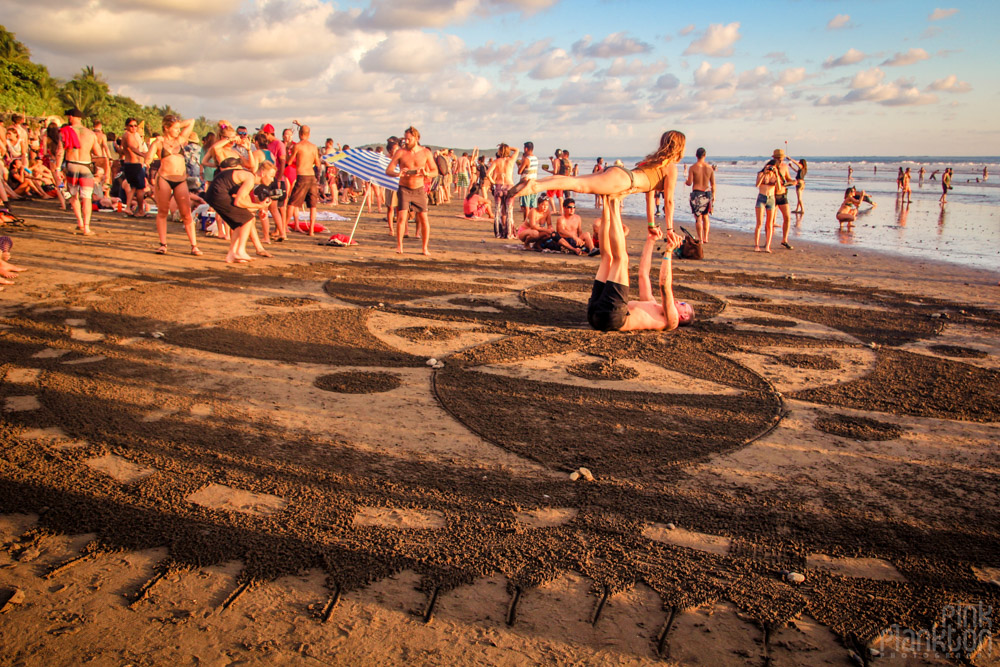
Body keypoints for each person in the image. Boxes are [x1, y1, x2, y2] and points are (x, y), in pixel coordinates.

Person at [509, 131, 687, 229]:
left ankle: (538, 183)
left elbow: (649, 197)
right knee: (578, 184)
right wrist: (670, 229)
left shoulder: (653, 162)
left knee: (575, 180)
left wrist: (651, 224)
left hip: (621, 175)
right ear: (679, 148)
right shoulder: (670, 167)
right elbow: (669, 202)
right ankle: (535, 185)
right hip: (624, 180)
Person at [587, 195, 693, 332]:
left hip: (612, 318)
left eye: (683, 304)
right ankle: (607, 203)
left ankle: (615, 203)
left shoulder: (672, 321)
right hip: (596, 313)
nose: (679, 301)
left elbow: (665, 286)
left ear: (684, 316)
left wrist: (668, 252)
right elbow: (643, 274)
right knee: (607, 258)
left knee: (622, 259)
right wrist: (651, 240)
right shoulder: (650, 302)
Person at [145, 115, 201, 255]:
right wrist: (153, 147)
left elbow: (191, 121)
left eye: (178, 128)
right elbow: (148, 159)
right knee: (163, 211)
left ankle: (194, 245)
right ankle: (163, 244)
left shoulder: (180, 140)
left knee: (186, 213)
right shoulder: (159, 142)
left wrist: (176, 124)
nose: (177, 130)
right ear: (166, 128)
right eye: (174, 128)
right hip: (164, 178)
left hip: (180, 179)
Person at [205, 158, 276, 263]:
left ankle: (231, 254)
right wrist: (259, 206)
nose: (272, 180)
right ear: (262, 173)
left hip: (214, 193)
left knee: (240, 222)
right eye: (271, 176)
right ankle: (240, 251)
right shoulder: (250, 178)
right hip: (217, 193)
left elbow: (243, 203)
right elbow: (238, 202)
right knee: (247, 219)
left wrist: (258, 208)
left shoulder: (248, 177)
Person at [385, 126, 437, 255]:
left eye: (409, 139)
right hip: (404, 188)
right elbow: (388, 170)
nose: (406, 141)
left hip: (419, 188)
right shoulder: (400, 152)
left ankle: (425, 248)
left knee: (424, 218)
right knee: (402, 217)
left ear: (416, 138)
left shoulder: (425, 152)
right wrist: (398, 173)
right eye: (405, 139)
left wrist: (426, 173)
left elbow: (435, 171)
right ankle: (399, 246)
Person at [55, 108, 104, 236]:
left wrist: (57, 168)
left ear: (71, 117)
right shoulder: (91, 134)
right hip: (86, 166)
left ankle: (80, 222)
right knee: (87, 197)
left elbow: (60, 151)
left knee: (73, 195)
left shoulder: (64, 132)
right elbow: (98, 154)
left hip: (72, 165)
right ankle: (87, 228)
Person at [286, 122, 322, 235]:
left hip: (302, 176)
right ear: (309, 134)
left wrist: (288, 151)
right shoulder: (313, 147)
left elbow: (290, 161)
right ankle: (311, 230)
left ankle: (283, 227)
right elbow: (318, 163)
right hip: (311, 176)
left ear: (300, 134)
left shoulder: (298, 146)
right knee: (312, 205)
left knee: (292, 203)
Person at [484, 143, 518, 239]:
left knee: (498, 210)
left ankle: (498, 233)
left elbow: (488, 173)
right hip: (509, 186)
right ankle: (509, 233)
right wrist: (507, 148)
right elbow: (517, 150)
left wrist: (493, 182)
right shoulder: (511, 160)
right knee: (509, 211)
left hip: (499, 186)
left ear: (499, 151)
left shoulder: (496, 161)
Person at [686, 147, 715, 243]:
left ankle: (701, 238)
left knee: (698, 217)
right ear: (705, 155)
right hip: (707, 193)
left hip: (697, 193)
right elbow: (713, 184)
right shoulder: (709, 168)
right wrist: (713, 196)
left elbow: (690, 182)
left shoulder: (693, 167)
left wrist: (686, 182)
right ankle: (706, 237)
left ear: (696, 155)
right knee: (706, 216)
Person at [121, 118, 148, 217]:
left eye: (135, 125)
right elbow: (132, 148)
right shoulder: (127, 135)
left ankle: (128, 207)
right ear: (127, 126)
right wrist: (143, 155)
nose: (133, 128)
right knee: (140, 188)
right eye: (131, 126)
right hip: (133, 165)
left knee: (134, 188)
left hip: (133, 164)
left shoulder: (134, 135)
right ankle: (140, 210)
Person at [770, 149, 795, 249]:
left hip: (782, 195)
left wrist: (793, 182)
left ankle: (784, 240)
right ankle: (768, 240)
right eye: (778, 159)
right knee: (770, 220)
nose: (780, 161)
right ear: (774, 158)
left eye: (781, 159)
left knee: (787, 217)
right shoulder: (770, 167)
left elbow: (788, 179)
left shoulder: (784, 167)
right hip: (772, 195)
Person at [753, 162, 778, 252]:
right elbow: (757, 184)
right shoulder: (761, 174)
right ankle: (756, 245)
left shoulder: (775, 175)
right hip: (761, 198)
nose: (771, 169)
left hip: (771, 198)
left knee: (769, 224)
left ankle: (768, 245)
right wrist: (764, 174)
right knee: (759, 223)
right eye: (770, 167)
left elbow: (778, 187)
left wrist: (777, 175)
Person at [516, 141, 539, 222]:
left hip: (526, 183)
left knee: (526, 205)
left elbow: (519, 171)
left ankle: (526, 222)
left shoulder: (526, 159)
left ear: (526, 149)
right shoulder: (535, 158)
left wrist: (519, 164)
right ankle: (533, 221)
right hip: (534, 182)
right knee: (532, 205)